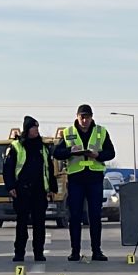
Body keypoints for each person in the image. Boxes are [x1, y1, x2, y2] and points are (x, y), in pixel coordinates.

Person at [52, 104, 115, 261]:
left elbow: (111, 152)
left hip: (94, 178)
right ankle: (75, 252)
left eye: (87, 117)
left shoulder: (101, 131)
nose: (85, 120)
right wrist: (70, 151)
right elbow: (56, 153)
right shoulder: (68, 133)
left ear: (92, 117)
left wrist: (98, 155)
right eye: (82, 117)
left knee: (95, 216)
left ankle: (97, 251)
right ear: (77, 117)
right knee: (75, 216)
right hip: (76, 179)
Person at [2, 116, 57, 262]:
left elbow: (49, 169)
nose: (36, 131)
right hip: (22, 191)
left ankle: (39, 253)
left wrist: (52, 188)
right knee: (22, 224)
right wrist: (11, 186)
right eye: (34, 128)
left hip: (39, 191)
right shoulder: (16, 146)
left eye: (37, 128)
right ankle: (19, 253)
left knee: (40, 224)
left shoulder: (43, 147)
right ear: (27, 129)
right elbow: (8, 168)